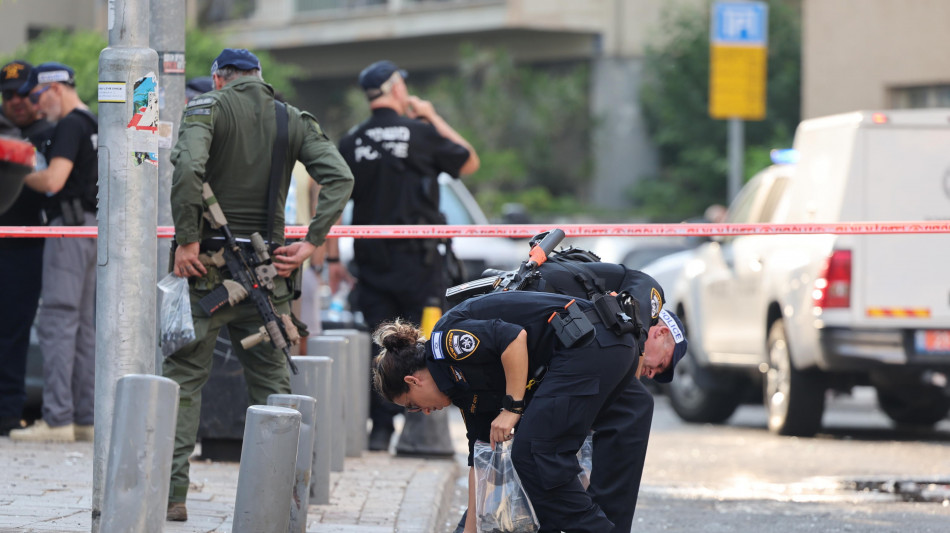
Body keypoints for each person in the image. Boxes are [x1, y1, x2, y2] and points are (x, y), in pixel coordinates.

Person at [163, 48, 353, 522]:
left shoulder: (207, 107)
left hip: (203, 269)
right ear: (259, 78)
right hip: (270, 275)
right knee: (271, 384)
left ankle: (172, 494)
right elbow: (340, 177)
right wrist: (310, 243)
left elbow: (188, 169)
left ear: (218, 80)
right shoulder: (291, 119)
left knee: (184, 380)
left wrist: (187, 240)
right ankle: (282, 498)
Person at [373, 290, 687, 533]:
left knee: (536, 454)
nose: (424, 412)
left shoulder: (447, 343)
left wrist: (512, 407)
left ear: (413, 380)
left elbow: (513, 338)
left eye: (413, 405)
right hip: (598, 352)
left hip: (594, 346)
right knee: (540, 460)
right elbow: (480, 460)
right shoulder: (460, 390)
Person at [336, 59, 480, 452]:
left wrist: (331, 260)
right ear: (396, 89)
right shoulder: (421, 133)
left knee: (380, 344)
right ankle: (423, 428)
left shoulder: (352, 140)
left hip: (372, 263)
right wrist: (431, 116)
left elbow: (329, 196)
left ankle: (380, 429)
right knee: (425, 343)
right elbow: (468, 159)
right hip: (421, 266)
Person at [9, 62, 97, 444]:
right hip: (94, 228)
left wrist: (11, 170)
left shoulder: (69, 125)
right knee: (86, 328)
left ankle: (58, 419)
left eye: (34, 96)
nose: (33, 105)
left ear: (55, 89)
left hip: (70, 228)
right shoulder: (94, 122)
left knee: (58, 322)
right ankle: (84, 418)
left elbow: (53, 179)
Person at [0, 60, 52, 436]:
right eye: (7, 95)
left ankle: (7, 413)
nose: (15, 101)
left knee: (14, 333)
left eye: (22, 94)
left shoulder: (50, 132)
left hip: (24, 248)